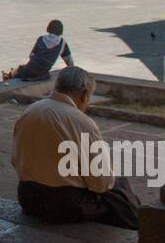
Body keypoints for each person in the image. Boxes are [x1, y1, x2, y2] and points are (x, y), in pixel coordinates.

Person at [11, 66, 140, 230]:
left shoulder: (30, 111)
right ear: (85, 95)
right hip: (66, 205)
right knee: (119, 187)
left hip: (28, 197)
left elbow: (15, 160)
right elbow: (101, 183)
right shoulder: (82, 122)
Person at [3, 19, 74, 82]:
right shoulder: (62, 43)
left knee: (19, 69)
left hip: (28, 70)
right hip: (42, 73)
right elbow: (69, 62)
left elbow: (31, 55)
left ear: (48, 28)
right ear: (61, 31)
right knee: (22, 69)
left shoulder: (41, 39)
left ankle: (8, 76)